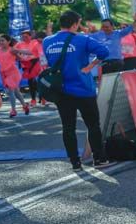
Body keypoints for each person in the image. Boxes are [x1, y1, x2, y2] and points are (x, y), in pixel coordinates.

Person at [43, 10, 116, 170]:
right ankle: (99, 158)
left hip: (61, 90)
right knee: (93, 125)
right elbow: (104, 52)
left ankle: (75, 162)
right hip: (83, 89)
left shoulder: (47, 41)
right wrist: (90, 66)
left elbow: (49, 62)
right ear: (75, 24)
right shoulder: (82, 39)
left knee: (68, 127)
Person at [0, 35, 31, 117]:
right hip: (3, 73)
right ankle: (24, 106)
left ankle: (13, 110)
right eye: (0, 40)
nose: (1, 42)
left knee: (10, 91)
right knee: (16, 92)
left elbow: (24, 55)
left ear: (8, 42)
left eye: (3, 40)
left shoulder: (12, 50)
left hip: (13, 73)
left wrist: (20, 53)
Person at [15, 29, 45, 105]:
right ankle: (34, 99)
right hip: (25, 64)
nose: (24, 38)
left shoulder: (35, 42)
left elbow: (39, 51)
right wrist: (19, 57)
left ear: (30, 36)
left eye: (26, 36)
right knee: (31, 82)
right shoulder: (19, 44)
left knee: (40, 80)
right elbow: (14, 51)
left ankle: (42, 97)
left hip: (35, 62)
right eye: (22, 37)